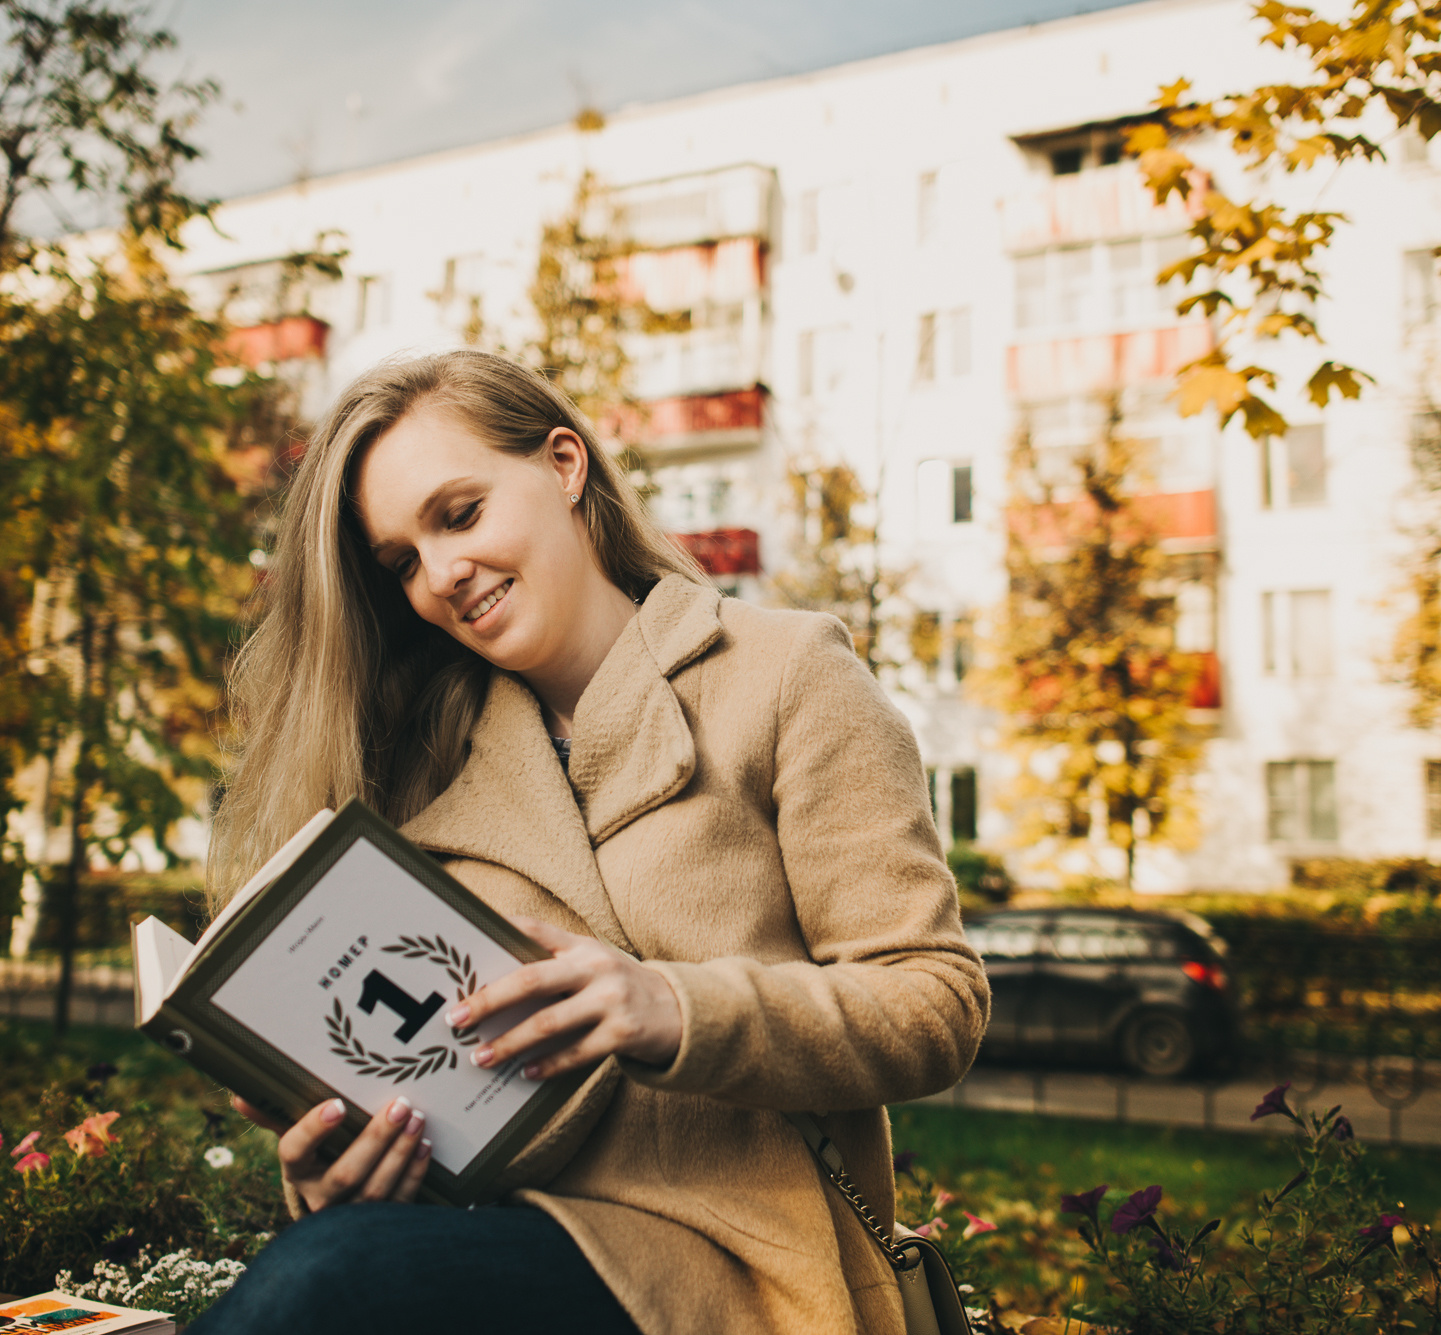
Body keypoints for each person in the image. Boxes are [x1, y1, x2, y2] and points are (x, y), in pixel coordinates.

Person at [191, 350, 987, 1335]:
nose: (441, 573)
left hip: (745, 1269)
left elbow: (932, 1002)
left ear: (564, 465)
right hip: (498, 1237)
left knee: (333, 1281)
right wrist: (340, 1169)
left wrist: (667, 1007)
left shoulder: (782, 675)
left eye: (459, 514)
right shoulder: (419, 771)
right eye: (400, 561)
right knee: (331, 1263)